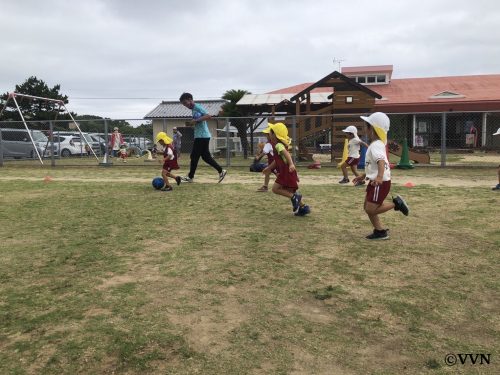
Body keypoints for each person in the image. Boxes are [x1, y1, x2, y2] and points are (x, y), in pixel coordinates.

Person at [353, 112, 409, 240]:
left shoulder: (376, 145)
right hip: (375, 181)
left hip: (380, 182)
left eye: (366, 126)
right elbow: (372, 165)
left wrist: (379, 177)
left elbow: (381, 161)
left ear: (372, 128)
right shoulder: (375, 145)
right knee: (367, 207)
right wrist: (363, 176)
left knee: (371, 209)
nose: (364, 129)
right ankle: (380, 231)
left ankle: (397, 204)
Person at [263, 122, 310, 216]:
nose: (269, 136)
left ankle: (295, 197)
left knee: (275, 189)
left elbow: (287, 154)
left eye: (270, 133)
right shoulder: (277, 145)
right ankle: (303, 208)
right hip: (288, 171)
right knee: (289, 191)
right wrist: (269, 168)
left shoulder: (278, 145)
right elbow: (277, 160)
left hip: (286, 172)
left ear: (275, 135)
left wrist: (292, 164)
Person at [179, 92, 227, 183]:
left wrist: (195, 121)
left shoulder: (197, 107)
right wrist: (193, 123)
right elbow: (200, 120)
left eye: (185, 103)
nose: (185, 105)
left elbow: (208, 116)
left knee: (194, 156)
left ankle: (190, 177)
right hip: (202, 136)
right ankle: (221, 171)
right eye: (183, 104)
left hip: (202, 136)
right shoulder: (194, 109)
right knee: (205, 157)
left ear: (190, 99)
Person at [254, 126, 277, 192]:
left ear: (270, 135)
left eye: (267, 134)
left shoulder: (268, 144)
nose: (266, 136)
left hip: (274, 163)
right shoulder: (274, 143)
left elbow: (265, 152)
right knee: (267, 172)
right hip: (272, 162)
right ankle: (265, 186)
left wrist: (258, 157)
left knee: (279, 175)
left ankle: (285, 185)